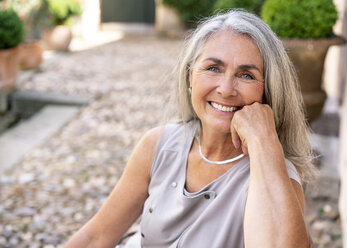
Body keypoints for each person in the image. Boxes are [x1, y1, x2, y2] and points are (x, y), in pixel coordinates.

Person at [65, 10, 315, 248]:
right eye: (213, 68)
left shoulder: (276, 175)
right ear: (190, 76)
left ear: (268, 90)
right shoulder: (158, 145)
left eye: (247, 75)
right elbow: (95, 236)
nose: (226, 89)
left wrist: (263, 141)